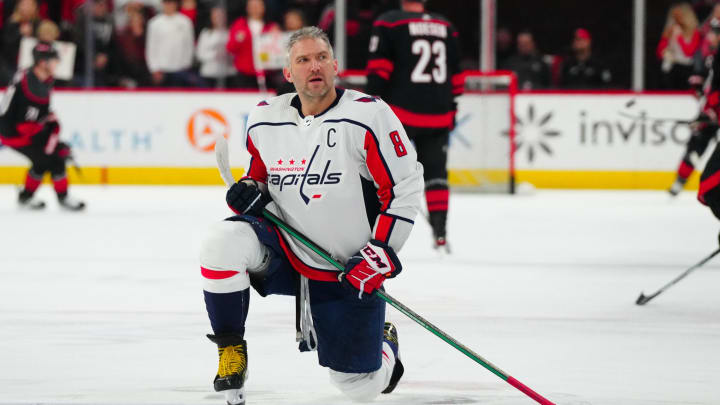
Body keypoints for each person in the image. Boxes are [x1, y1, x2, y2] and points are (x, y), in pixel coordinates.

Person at [199, 26, 423, 404]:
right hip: (285, 250)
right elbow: (260, 177)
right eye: (302, 60)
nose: (313, 66)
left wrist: (379, 255)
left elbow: (404, 188)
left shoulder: (368, 116)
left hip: (344, 269)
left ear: (335, 66)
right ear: (288, 73)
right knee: (221, 243)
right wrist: (249, 193)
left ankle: (384, 344)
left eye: (321, 57)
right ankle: (230, 350)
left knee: (361, 387)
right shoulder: (265, 118)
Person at [364, 0, 461, 252]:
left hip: (401, 115)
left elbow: (379, 71)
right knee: (437, 173)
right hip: (438, 114)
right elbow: (457, 74)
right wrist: (452, 107)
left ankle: (379, 231)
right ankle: (440, 233)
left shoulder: (389, 22)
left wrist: (369, 106)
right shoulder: (445, 25)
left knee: (385, 174)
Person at [0, 42, 85, 211]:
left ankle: (26, 197)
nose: (57, 64)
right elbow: (26, 126)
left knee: (43, 160)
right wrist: (51, 137)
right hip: (14, 134)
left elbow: (34, 117)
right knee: (54, 159)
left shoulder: (32, 76)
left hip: (15, 129)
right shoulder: (34, 88)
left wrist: (49, 130)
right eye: (54, 61)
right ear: (42, 62)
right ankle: (63, 198)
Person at [669, 19, 720, 196]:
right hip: (712, 109)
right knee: (697, 142)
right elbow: (704, 82)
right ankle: (680, 181)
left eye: (715, 33)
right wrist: (700, 90)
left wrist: (713, 106)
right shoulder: (711, 55)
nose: (711, 37)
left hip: (715, 108)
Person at [226, 0, 279, 89]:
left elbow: (279, 51)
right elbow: (230, 48)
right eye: (252, 6)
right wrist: (238, 40)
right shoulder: (239, 24)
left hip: (267, 73)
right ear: (247, 8)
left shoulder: (271, 26)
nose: (255, 8)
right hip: (244, 74)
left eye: (258, 5)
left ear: (264, 7)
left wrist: (277, 36)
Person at [145, 0, 197, 87]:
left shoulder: (185, 22)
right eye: (166, 3)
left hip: (181, 68)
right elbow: (151, 47)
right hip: (161, 69)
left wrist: (187, 65)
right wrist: (154, 68)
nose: (169, 5)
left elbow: (189, 45)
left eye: (171, 3)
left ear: (176, 4)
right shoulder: (154, 23)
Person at [657, 3, 702, 90]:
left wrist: (679, 37)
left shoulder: (695, 32)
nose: (676, 19)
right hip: (671, 67)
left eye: (679, 16)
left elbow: (689, 53)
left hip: (686, 68)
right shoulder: (671, 29)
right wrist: (666, 43)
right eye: (674, 17)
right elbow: (659, 52)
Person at [196, 5, 236, 88]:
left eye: (221, 15)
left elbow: (236, 53)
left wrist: (227, 54)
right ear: (211, 17)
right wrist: (215, 54)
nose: (218, 18)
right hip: (209, 74)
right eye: (215, 16)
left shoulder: (231, 32)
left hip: (228, 74)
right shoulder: (206, 33)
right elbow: (199, 54)